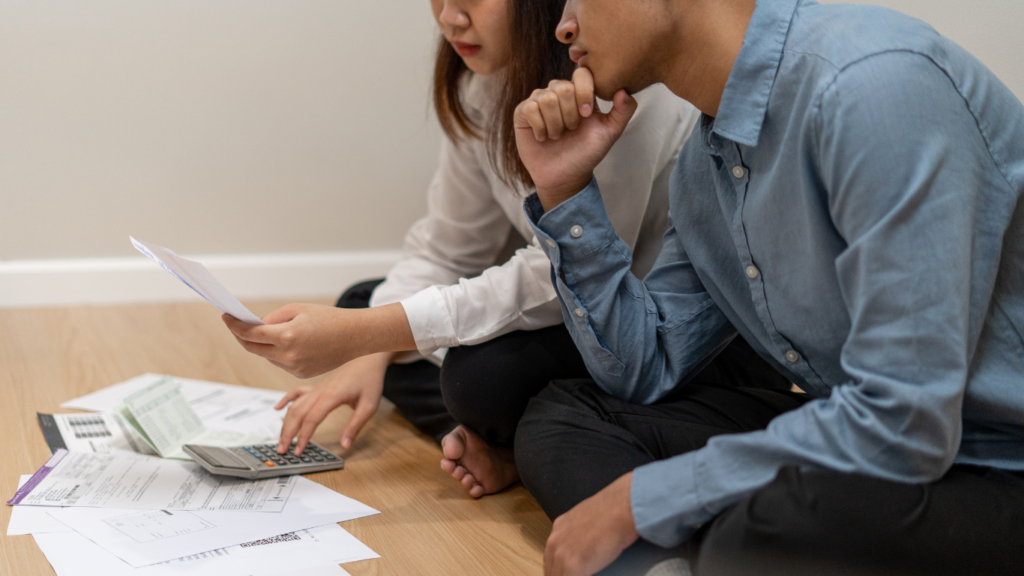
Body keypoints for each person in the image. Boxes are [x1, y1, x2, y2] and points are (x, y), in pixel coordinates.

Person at [507, 0, 1024, 574]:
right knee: (566, 415)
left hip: (997, 460)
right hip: (884, 444)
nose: (563, 26)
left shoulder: (872, 83)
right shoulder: (706, 165)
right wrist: (566, 189)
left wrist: (644, 500)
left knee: (762, 532)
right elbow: (644, 367)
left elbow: (905, 423)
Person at [223, 0, 788, 500]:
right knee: (367, 302)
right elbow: (448, 245)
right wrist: (367, 350)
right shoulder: (482, 82)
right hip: (594, 320)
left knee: (476, 379)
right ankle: (504, 437)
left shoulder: (618, 87)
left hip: (658, 332)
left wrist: (367, 336)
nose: (449, 15)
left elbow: (566, 279)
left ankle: (515, 438)